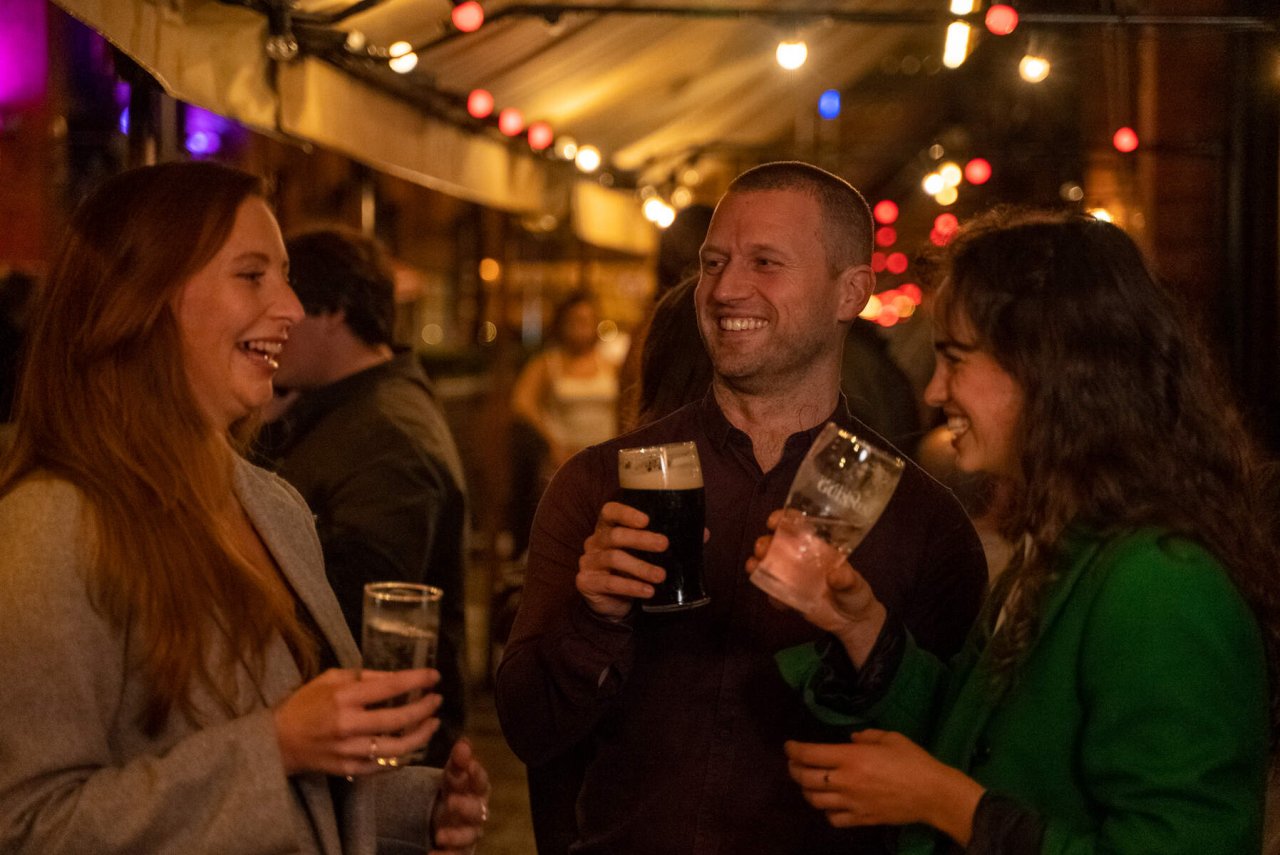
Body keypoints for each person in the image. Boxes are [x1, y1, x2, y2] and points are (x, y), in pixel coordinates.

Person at [495, 161, 988, 854]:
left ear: (851, 291)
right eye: (714, 262)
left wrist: (866, 643)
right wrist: (595, 618)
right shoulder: (598, 482)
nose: (725, 289)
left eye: (765, 262)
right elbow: (528, 728)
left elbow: (952, 760)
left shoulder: (923, 522)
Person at [0, 161, 488, 854]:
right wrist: (276, 744)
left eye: (284, 275)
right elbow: (29, 825)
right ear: (145, 300)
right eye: (253, 274)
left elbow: (291, 787)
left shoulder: (272, 505)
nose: (290, 306)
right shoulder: (52, 524)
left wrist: (416, 807)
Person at [772, 208, 1280, 854]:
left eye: (955, 358)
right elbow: (983, 734)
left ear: (1052, 367)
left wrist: (946, 802)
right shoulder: (1068, 539)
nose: (934, 390)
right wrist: (863, 629)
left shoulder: (1163, 582)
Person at [258, 227, 470, 767]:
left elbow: (360, 612)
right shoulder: (349, 409)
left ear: (332, 311)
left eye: (285, 300)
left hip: (379, 753)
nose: (271, 321)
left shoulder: (387, 435)